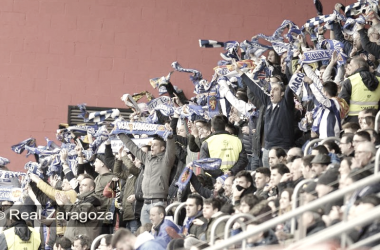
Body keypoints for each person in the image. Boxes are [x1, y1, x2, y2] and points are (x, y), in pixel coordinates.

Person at [236, 62, 295, 168]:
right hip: (267, 150)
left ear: (282, 93)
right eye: (271, 90)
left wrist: (297, 72)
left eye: (276, 89)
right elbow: (255, 88)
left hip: (282, 149)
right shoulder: (268, 101)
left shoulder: (286, 104)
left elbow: (290, 89)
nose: (272, 92)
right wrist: (241, 73)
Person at [117, 131, 176, 225]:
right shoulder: (146, 158)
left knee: (158, 230)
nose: (152, 147)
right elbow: (133, 148)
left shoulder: (167, 160)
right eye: (151, 145)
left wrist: (169, 137)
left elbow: (171, 149)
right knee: (145, 232)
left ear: (162, 148)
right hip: (145, 203)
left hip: (158, 203)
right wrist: (120, 133)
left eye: (155, 145)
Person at [56, 176, 102, 242]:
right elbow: (68, 217)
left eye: (84, 185)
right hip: (74, 242)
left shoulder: (93, 200)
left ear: (91, 188)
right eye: (80, 185)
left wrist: (67, 203)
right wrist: (62, 206)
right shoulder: (81, 200)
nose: (80, 187)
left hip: (83, 244)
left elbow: (81, 215)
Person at [339, 56, 380, 123]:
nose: (350, 68)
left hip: (354, 120)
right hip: (375, 119)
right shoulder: (379, 79)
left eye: (351, 65)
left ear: (358, 65)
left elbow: (342, 104)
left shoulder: (350, 80)